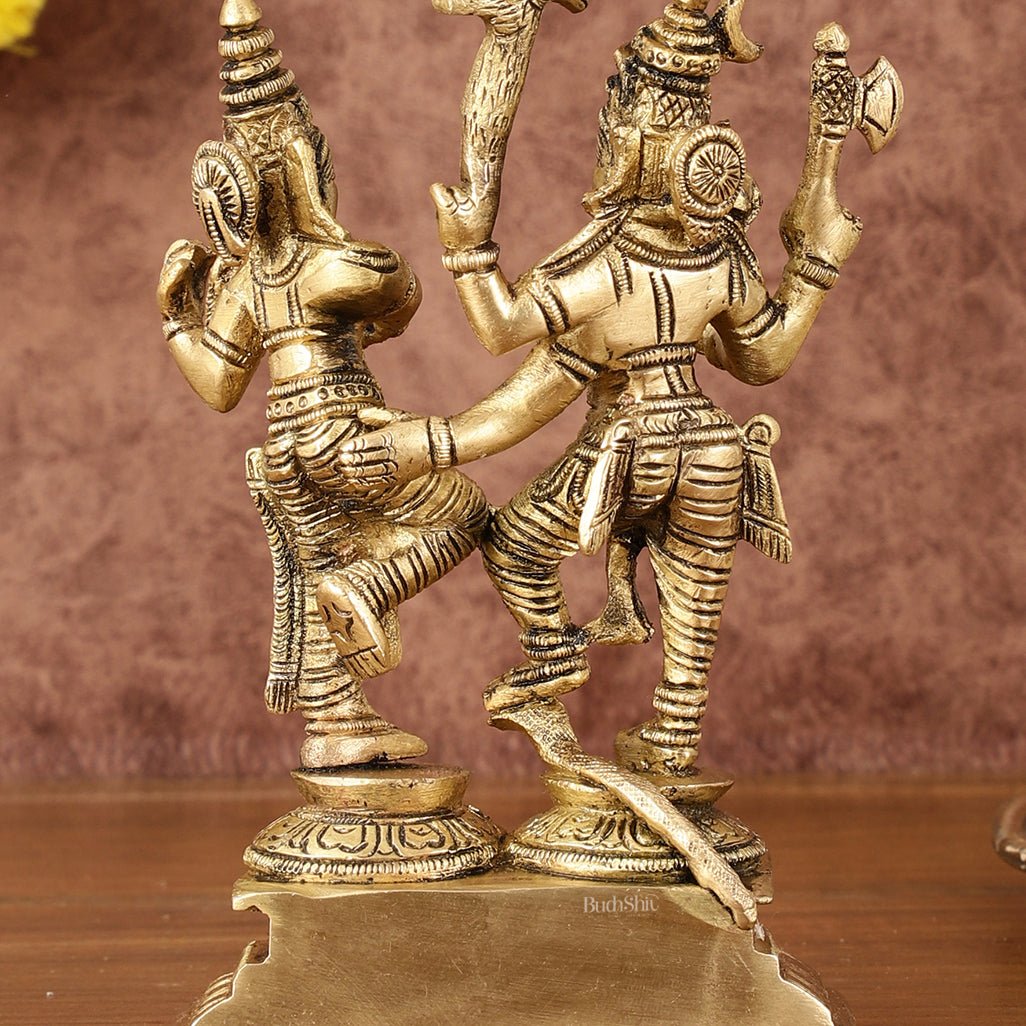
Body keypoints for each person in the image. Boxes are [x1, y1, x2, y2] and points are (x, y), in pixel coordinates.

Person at [337, 0, 868, 779]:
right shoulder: (721, 259)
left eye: (617, 124)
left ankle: (555, 656)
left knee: (515, 546)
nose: (608, 138)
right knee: (694, 597)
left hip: (627, 445)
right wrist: (816, 265)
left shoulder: (609, 266)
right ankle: (675, 736)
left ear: (642, 146)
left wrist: (467, 251)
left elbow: (503, 333)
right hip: (716, 448)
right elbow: (763, 358)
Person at [156, 0, 487, 769]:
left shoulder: (242, 286)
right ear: (308, 168)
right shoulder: (335, 265)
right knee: (463, 512)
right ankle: (375, 586)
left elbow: (219, 387)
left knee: (319, 569)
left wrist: (176, 319)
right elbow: (401, 294)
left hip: (285, 450)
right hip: (341, 434)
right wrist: (364, 313)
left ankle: (337, 723)